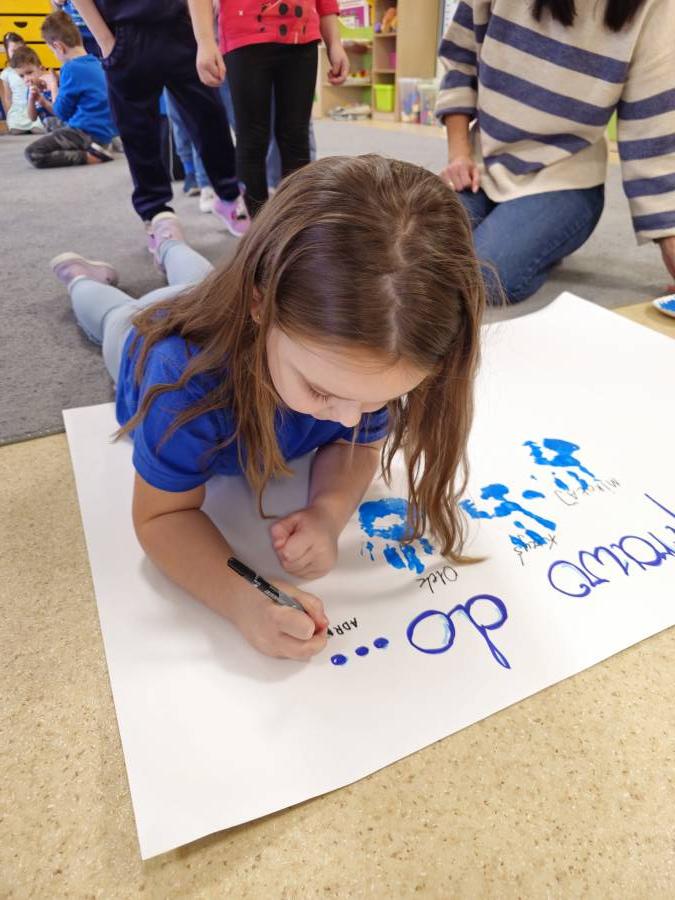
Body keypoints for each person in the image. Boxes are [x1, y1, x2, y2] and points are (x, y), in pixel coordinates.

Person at [48, 155, 485, 661]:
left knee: (198, 273)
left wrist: (328, 512)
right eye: (320, 391)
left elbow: (357, 446)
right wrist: (240, 599)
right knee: (108, 311)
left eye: (376, 401)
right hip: (141, 331)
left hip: (216, 294)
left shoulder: (360, 356)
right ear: (260, 304)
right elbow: (160, 517)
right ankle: (81, 276)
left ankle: (170, 242)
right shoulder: (181, 380)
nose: (351, 418)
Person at [437, 0, 675, 303]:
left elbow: (651, 124)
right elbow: (460, 58)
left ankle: (543, 238)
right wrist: (459, 154)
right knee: (414, 251)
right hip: (481, 163)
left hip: (564, 179)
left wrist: (668, 235)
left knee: (480, 277)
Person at [69, 0, 249, 249]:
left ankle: (229, 195)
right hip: (123, 32)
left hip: (181, 24)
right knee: (138, 132)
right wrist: (105, 40)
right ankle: (156, 213)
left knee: (210, 118)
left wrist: (205, 39)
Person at [188, 0, 349, 216]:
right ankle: (257, 225)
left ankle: (296, 222)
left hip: (302, 32)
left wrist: (335, 42)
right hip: (244, 32)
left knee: (296, 137)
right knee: (252, 139)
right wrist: (205, 40)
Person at [24, 12, 117, 168]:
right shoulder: (98, 62)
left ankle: (91, 156)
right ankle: (104, 145)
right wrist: (43, 102)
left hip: (86, 132)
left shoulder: (70, 68)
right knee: (56, 126)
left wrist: (53, 85)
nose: (55, 55)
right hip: (108, 131)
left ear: (58, 47)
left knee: (33, 152)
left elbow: (61, 112)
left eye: (52, 51)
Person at [10, 46, 61, 131]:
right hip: (50, 128)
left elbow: (58, 112)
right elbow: (32, 118)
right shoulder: (31, 90)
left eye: (29, 73)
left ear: (41, 69)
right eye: (22, 76)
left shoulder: (52, 83)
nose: (26, 79)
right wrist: (31, 99)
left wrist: (43, 99)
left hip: (65, 126)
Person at [1, 32, 43, 134]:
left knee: (38, 129)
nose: (17, 54)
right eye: (13, 51)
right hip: (18, 111)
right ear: (7, 51)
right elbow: (7, 98)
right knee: (16, 130)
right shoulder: (6, 73)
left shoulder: (34, 68)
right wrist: (9, 115)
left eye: (20, 49)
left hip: (34, 108)